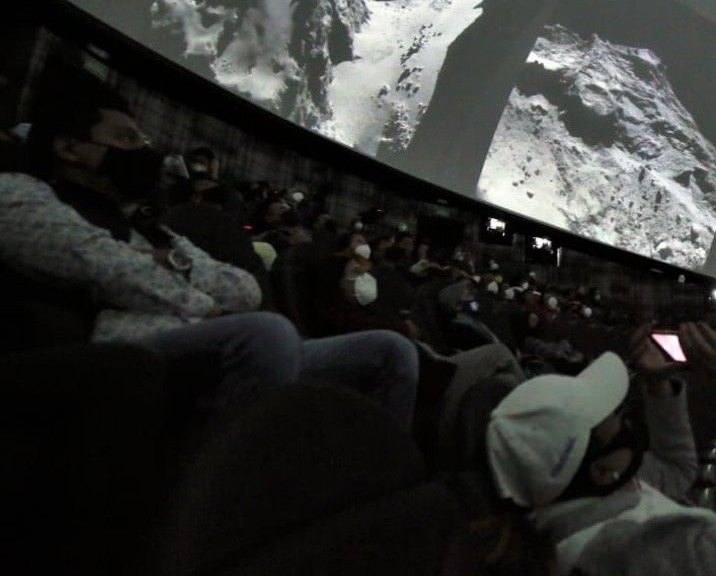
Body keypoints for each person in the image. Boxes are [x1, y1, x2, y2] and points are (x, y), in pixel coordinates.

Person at [0, 68, 420, 427]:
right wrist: (199, 303)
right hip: (112, 354)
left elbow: (243, 289)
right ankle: (228, 496)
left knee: (390, 350)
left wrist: (167, 266)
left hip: (203, 339)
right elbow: (102, 266)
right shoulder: (19, 193)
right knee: (267, 333)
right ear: (69, 146)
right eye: (125, 138)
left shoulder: (145, 226)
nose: (143, 149)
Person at [486, 322, 716, 576]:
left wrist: (658, 387)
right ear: (601, 469)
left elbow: (675, 472)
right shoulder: (646, 555)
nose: (624, 419)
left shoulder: (578, 495)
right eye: (612, 417)